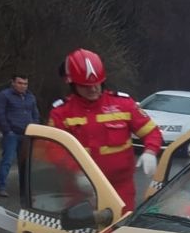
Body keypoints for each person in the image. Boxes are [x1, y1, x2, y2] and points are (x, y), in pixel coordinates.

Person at [48, 49, 162, 211]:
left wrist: (150, 151)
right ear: (72, 84)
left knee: (119, 232)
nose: (93, 89)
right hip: (80, 189)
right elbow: (54, 149)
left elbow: (151, 132)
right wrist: (77, 172)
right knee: (82, 232)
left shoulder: (123, 104)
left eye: (97, 84)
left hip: (120, 188)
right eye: (85, 86)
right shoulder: (61, 112)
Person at [0, 73, 39, 197]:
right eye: (20, 83)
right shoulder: (4, 95)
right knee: (7, 161)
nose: (23, 86)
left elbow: (35, 114)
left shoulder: (30, 97)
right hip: (11, 134)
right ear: (13, 82)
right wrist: (7, 130)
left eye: (25, 83)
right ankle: (1, 187)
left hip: (27, 135)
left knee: (26, 163)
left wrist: (34, 128)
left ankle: (25, 189)